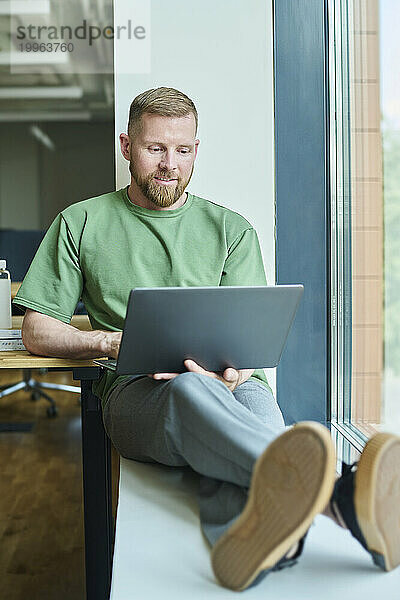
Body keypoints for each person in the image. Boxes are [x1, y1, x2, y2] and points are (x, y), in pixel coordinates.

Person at [14, 87, 400, 591]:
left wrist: (234, 369)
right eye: (155, 149)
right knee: (192, 391)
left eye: (182, 150)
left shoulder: (231, 229)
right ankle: (340, 496)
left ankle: (251, 540)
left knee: (253, 417)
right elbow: (36, 328)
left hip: (237, 384)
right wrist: (112, 343)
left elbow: (249, 328)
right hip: (137, 393)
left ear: (197, 149)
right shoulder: (81, 222)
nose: (169, 164)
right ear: (127, 146)